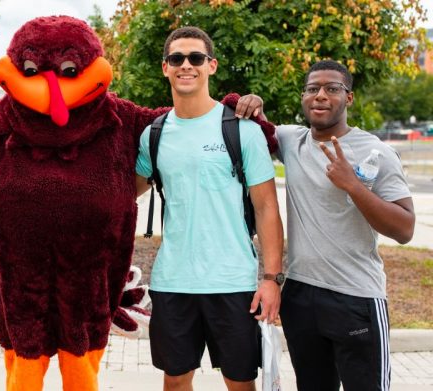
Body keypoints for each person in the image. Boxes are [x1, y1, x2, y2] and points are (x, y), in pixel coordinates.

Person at [134, 26, 284, 391]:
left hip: (232, 281)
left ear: (211, 65)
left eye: (196, 58)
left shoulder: (241, 129)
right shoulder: (153, 134)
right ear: (165, 68)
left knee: (240, 383)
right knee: (175, 381)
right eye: (176, 58)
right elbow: (121, 194)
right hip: (173, 281)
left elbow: (267, 207)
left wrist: (271, 279)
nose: (186, 65)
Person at [275, 60, 415, 391]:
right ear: (303, 97)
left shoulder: (376, 152)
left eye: (332, 88)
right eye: (312, 89)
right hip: (300, 294)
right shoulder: (291, 140)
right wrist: (251, 101)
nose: (320, 95)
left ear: (349, 97)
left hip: (355, 297)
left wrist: (353, 185)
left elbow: (405, 229)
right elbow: (255, 125)